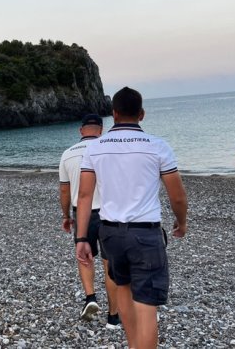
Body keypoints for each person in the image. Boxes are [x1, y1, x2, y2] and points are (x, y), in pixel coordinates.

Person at [75, 87, 188, 349]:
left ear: (113, 114)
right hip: (145, 233)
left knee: (123, 289)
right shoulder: (157, 146)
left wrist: (82, 237)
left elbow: (84, 196)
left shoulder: (95, 148)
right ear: (142, 114)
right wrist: (181, 222)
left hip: (110, 233)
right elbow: (178, 196)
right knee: (147, 304)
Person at [58, 114, 120, 328]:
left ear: (81, 130)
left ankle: (90, 297)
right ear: (101, 130)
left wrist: (66, 216)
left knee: (85, 257)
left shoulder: (68, 154)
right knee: (109, 264)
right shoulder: (110, 150)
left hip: (82, 212)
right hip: (108, 213)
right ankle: (113, 317)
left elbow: (65, 190)